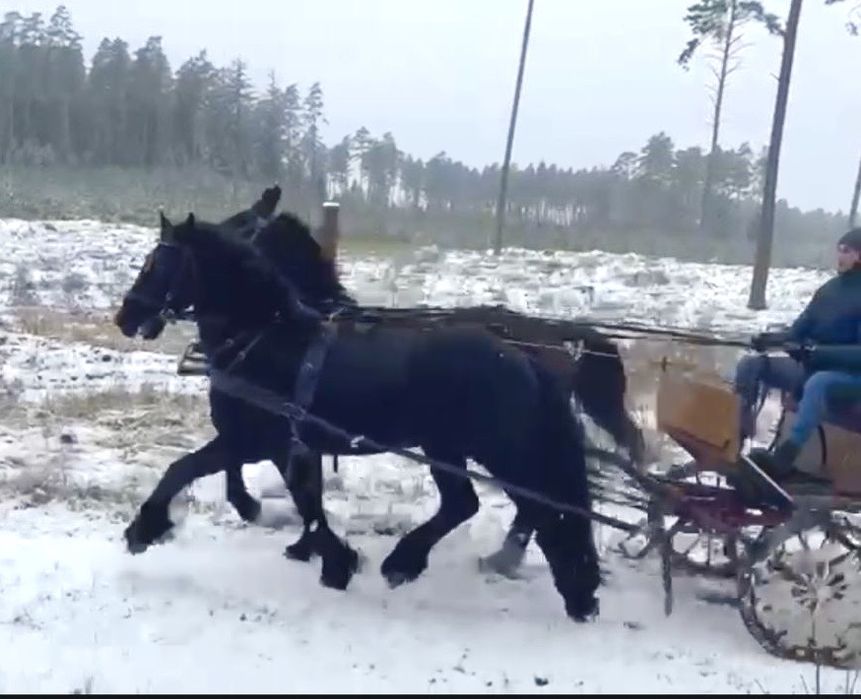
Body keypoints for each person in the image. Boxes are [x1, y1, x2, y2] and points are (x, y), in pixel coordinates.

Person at [735, 227, 861, 479]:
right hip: (813, 365)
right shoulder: (829, 290)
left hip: (850, 379)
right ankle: (734, 437)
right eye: (839, 248)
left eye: (846, 250)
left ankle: (785, 458)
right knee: (752, 364)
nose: (839, 254)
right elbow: (798, 331)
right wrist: (771, 340)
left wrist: (817, 353)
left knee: (818, 382)